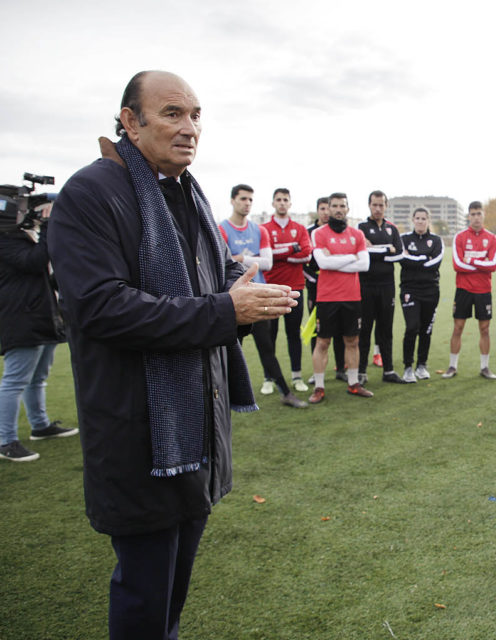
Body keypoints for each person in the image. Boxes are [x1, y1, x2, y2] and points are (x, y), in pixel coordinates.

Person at [47, 70, 299, 639]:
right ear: (129, 121)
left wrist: (243, 290)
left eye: (195, 115)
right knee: (144, 597)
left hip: (195, 431)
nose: (190, 129)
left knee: (170, 599)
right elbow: (100, 308)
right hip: (139, 434)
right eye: (172, 114)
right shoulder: (91, 194)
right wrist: (225, 310)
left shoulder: (183, 192)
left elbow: (201, 284)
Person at [0, 200, 78, 462]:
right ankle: (5, 440)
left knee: (38, 377)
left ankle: (40, 425)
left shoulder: (22, 238)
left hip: (39, 315)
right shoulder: (5, 240)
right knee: (15, 380)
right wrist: (47, 227)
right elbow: (34, 261)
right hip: (21, 318)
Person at [219, 184, 307, 409]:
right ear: (232, 200)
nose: (247, 203)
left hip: (259, 295)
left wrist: (239, 257)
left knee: (266, 347)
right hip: (231, 299)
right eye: (243, 199)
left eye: (250, 199)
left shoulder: (259, 231)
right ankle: (222, 395)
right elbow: (221, 263)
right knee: (227, 349)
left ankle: (286, 392)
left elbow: (266, 263)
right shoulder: (222, 229)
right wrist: (247, 258)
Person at [309, 192, 373, 400]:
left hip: (352, 296)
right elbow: (323, 263)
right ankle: (319, 387)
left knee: (352, 341)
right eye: (333, 205)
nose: (337, 209)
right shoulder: (319, 234)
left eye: (341, 205)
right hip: (327, 297)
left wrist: (336, 258)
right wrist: (351, 257)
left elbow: (364, 264)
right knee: (323, 342)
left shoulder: (358, 234)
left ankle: (353, 383)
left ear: (347, 209)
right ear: (327, 209)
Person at [262, 188, 312, 392]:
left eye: (285, 200)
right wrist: (292, 249)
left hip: (295, 289)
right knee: (269, 336)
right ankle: (269, 378)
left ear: (290, 203)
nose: (282, 203)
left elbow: (307, 255)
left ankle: (296, 376)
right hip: (271, 290)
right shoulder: (264, 229)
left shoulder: (299, 228)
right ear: (273, 203)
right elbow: (266, 258)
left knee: (293, 335)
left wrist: (280, 255)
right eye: (278, 200)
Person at [443, 201, 496, 379]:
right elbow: (457, 264)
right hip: (463, 289)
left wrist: (472, 261)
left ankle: (484, 367)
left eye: (479, 214)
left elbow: (493, 265)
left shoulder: (492, 238)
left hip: (483, 290)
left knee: (484, 329)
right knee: (458, 327)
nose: (476, 217)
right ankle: (452, 366)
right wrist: (481, 262)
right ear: (468, 216)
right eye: (473, 214)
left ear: (483, 215)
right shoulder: (459, 237)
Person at [358, 190, 407, 384]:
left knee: (386, 329)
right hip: (366, 286)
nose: (378, 208)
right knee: (365, 329)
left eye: (381, 205)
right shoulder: (361, 228)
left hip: (387, 287)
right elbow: (361, 253)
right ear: (369, 205)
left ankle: (388, 371)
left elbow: (400, 255)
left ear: (386, 206)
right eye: (374, 205)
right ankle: (361, 372)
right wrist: (387, 249)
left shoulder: (392, 229)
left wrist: (375, 250)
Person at [397, 207, 444, 382]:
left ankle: (421, 365)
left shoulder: (436, 240)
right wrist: (424, 258)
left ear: (428, 220)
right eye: (417, 218)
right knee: (412, 327)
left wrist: (414, 258)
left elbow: (434, 264)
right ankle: (408, 367)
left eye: (424, 218)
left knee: (426, 330)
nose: (420, 221)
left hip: (431, 290)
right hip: (410, 290)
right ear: (413, 220)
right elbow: (403, 260)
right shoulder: (404, 239)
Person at [305, 197, 346, 382]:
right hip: (316, 289)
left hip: (337, 287)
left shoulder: (338, 232)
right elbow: (304, 263)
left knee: (340, 330)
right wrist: (317, 279)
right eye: (321, 209)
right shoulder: (310, 233)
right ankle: (317, 373)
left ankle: (340, 368)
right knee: (318, 331)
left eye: (326, 209)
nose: (325, 212)